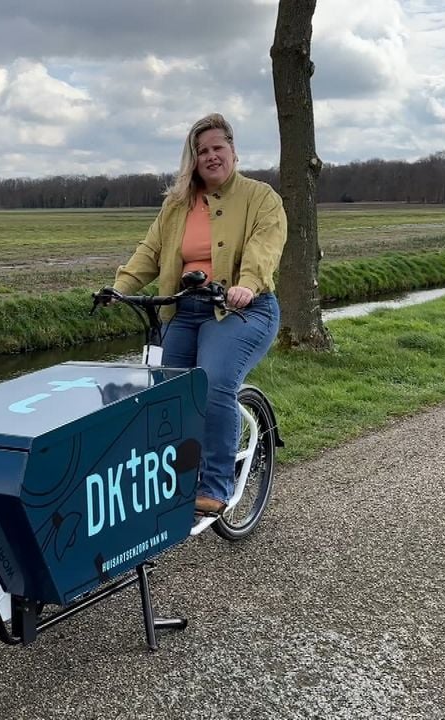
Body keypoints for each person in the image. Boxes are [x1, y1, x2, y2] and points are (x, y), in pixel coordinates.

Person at [111, 113, 287, 517]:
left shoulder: (260, 197)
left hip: (242, 310)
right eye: (201, 151)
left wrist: (248, 284)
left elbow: (264, 246)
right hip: (184, 310)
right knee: (166, 395)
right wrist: (119, 288)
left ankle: (215, 486)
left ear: (233, 152)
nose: (210, 156)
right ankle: (170, 478)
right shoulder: (177, 205)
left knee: (213, 385)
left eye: (217, 148)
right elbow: (151, 252)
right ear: (191, 160)